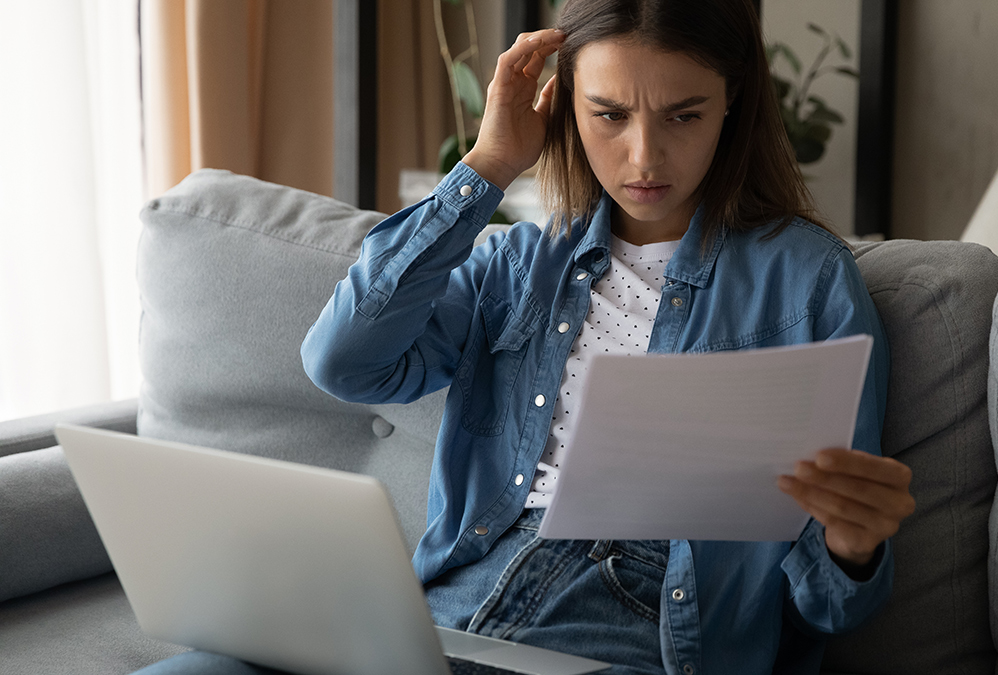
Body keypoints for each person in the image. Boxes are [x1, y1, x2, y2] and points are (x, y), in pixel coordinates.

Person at [134, 0, 914, 673]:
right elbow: (342, 359)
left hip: (639, 625)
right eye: (610, 114)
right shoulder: (514, 265)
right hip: (450, 608)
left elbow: (827, 604)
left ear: (732, 105)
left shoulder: (807, 279)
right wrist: (489, 165)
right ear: (565, 104)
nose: (645, 156)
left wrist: (851, 544)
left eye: (684, 115)